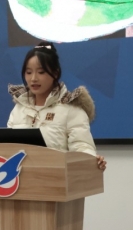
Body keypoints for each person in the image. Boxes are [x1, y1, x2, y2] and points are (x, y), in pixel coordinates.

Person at [7, 42, 107, 171]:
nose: (33, 78)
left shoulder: (71, 109)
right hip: (22, 180)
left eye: (41, 72)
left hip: (57, 178)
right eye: (28, 72)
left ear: (55, 73)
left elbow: (82, 146)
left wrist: (91, 160)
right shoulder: (18, 109)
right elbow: (7, 150)